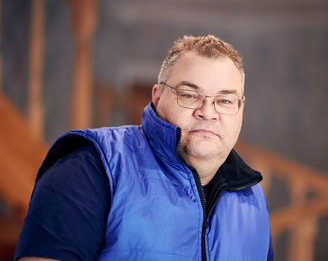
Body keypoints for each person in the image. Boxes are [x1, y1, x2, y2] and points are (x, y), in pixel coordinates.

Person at [15, 35, 274, 261]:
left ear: (240, 108)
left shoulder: (253, 199)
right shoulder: (91, 165)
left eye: (225, 100)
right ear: (157, 96)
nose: (208, 112)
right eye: (189, 95)